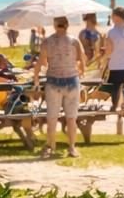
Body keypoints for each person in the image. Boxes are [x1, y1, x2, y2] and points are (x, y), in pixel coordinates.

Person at [34, 15, 87, 159]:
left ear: (55, 25)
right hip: (71, 80)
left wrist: (36, 77)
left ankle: (51, 146)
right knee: (71, 118)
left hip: (53, 81)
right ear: (67, 25)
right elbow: (82, 61)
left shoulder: (47, 41)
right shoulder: (74, 41)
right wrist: (80, 70)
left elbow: (41, 62)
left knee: (52, 118)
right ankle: (72, 148)